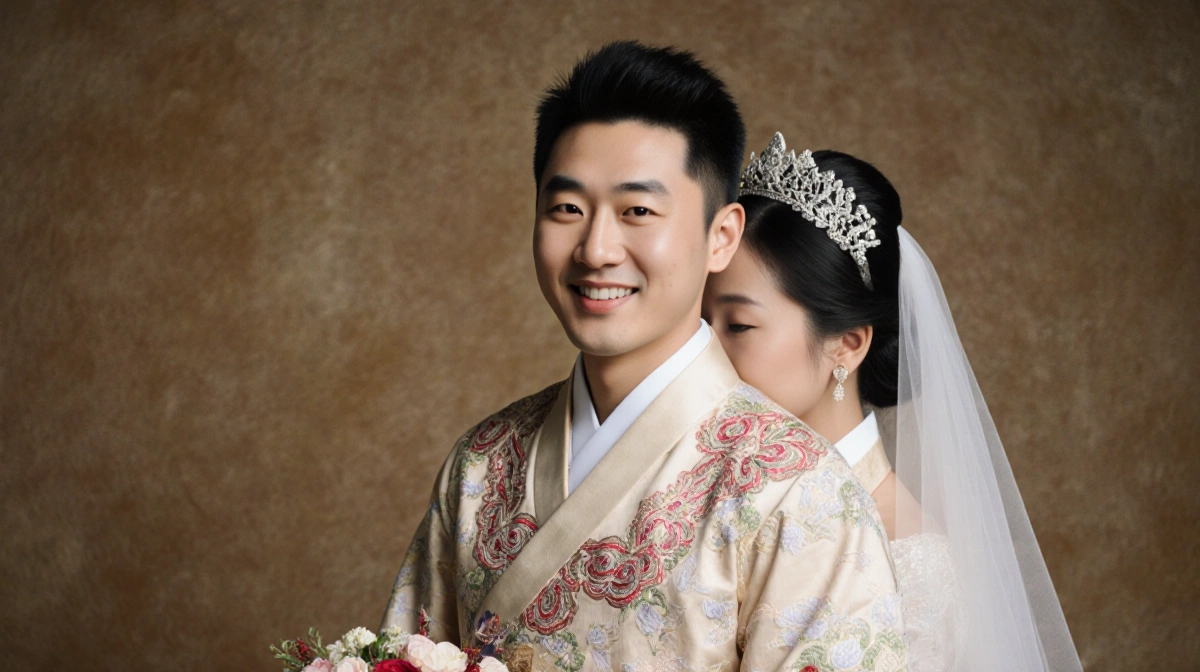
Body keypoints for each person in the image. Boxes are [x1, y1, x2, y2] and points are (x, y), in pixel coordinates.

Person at [382, 44, 909, 672]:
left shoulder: (801, 492)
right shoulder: (482, 462)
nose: (597, 248)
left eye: (638, 211)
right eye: (568, 209)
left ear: (722, 236)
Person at [703, 133, 1083, 672]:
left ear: (847, 344)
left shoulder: (907, 556)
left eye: (738, 325)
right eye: (701, 322)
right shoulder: (701, 484)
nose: (706, 350)